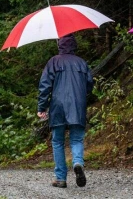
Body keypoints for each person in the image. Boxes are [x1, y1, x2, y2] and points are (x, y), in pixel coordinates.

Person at [37, 33, 94, 188]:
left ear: (60, 45)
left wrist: (42, 107)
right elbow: (90, 84)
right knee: (76, 139)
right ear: (74, 45)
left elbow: (45, 86)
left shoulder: (53, 62)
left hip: (58, 106)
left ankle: (61, 178)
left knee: (57, 141)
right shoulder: (81, 63)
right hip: (77, 105)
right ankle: (77, 162)